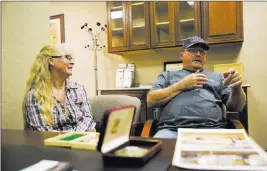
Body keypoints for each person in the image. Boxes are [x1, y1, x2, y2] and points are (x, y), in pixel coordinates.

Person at [147, 36, 246, 138]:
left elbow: (237, 107)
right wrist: (181, 85)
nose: (198, 54)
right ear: (182, 55)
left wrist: (237, 87)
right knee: (159, 152)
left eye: (202, 52)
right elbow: (151, 100)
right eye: (193, 50)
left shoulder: (218, 77)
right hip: (172, 130)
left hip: (214, 130)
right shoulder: (168, 75)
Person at [22, 43, 96, 132]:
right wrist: (73, 138)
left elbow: (88, 118)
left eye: (72, 58)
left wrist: (77, 136)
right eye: (67, 57)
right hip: (53, 144)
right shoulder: (35, 95)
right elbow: (44, 132)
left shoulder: (78, 88)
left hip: (82, 141)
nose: (72, 62)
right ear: (51, 61)